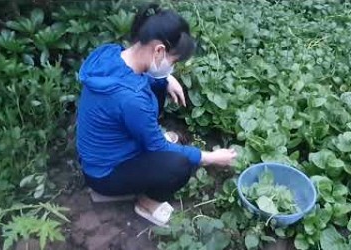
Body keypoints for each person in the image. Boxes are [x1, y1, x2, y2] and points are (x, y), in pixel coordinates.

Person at [76, 3, 237, 227]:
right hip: (105, 174)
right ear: (159, 50)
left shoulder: (111, 54)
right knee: (179, 165)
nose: (173, 68)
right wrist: (211, 157)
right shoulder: (132, 100)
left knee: (159, 84)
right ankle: (147, 203)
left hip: (98, 154)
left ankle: (150, 141)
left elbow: (134, 81)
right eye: (173, 62)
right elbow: (159, 148)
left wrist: (165, 78)